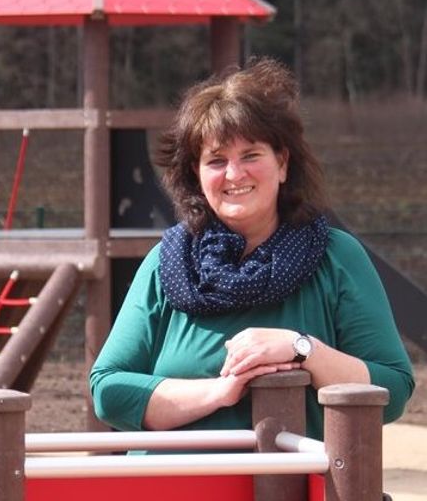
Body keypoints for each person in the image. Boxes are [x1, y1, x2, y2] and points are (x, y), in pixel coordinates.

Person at [89, 58, 414, 440]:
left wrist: (301, 349)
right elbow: (108, 390)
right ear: (196, 175)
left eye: (250, 156)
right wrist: (219, 393)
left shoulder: (335, 257)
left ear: (282, 163)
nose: (234, 174)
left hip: (300, 488)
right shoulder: (166, 263)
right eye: (216, 160)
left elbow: (391, 392)